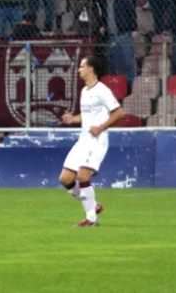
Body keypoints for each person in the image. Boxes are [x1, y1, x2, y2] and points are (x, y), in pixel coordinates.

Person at [57, 54, 124, 227]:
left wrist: (101, 127)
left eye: (82, 66)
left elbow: (118, 113)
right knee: (65, 179)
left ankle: (91, 219)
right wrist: (72, 119)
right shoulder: (84, 91)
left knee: (82, 176)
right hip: (83, 140)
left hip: (97, 140)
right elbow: (87, 116)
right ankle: (93, 205)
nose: (79, 69)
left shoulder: (102, 90)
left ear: (91, 69)